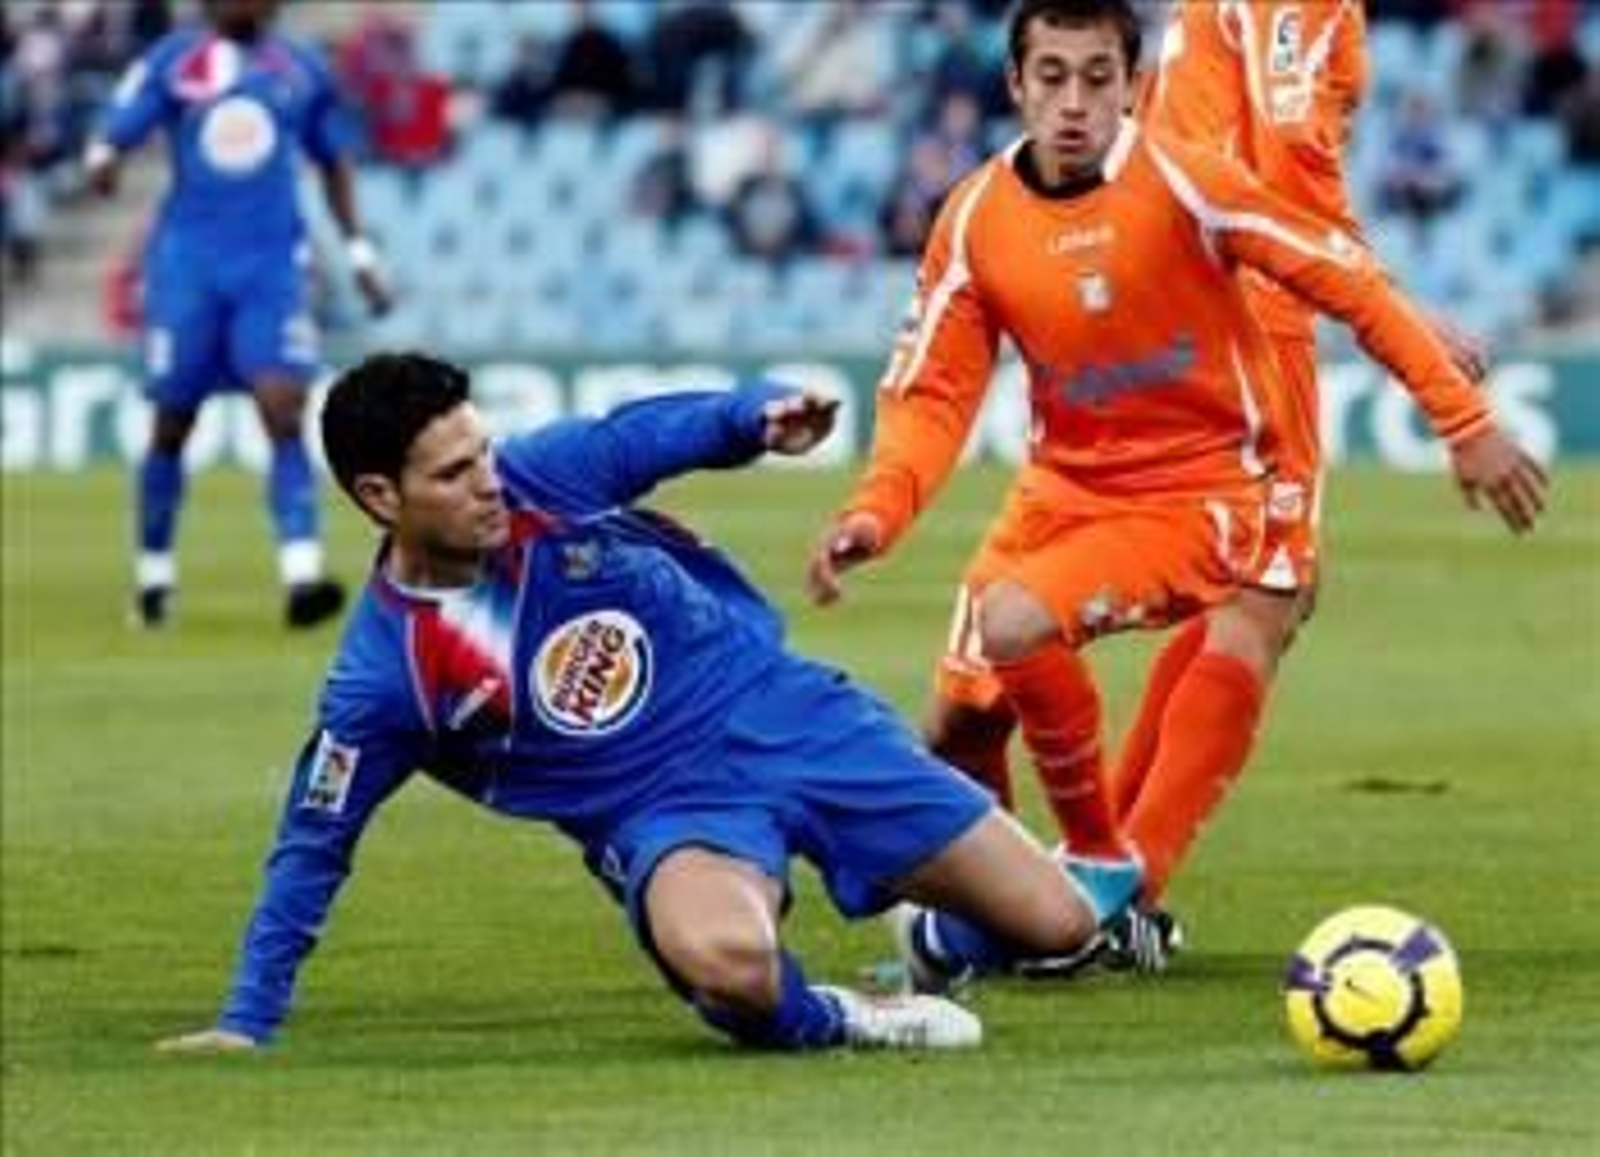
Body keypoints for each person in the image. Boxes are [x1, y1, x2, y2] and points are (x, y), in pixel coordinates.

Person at [806, 0, 1547, 982]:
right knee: (959, 720)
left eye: (1098, 79)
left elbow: (1303, 200)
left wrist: (1458, 413)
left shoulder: (1187, 174)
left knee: (1245, 601)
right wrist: (877, 508)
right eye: (1052, 79)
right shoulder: (978, 214)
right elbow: (930, 390)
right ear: (1015, 86)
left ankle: (1106, 883)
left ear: (1129, 82)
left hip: (1213, 437)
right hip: (1071, 475)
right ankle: (1022, 911)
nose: (1073, 103)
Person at [155, 353, 1115, 1057]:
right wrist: (247, 1019)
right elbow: (314, 838)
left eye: (480, 452)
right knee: (732, 967)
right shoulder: (389, 676)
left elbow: (640, 435)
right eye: (452, 474)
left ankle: (933, 939)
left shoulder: (537, 478)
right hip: (668, 814)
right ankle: (852, 1016)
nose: (487, 482)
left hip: (785, 712)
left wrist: (752, 419)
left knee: (1060, 925)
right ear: (379, 496)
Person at [84, 0, 391, 630]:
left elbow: (333, 161)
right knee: (173, 422)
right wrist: (103, 159)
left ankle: (302, 575)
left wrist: (360, 256)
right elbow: (119, 127)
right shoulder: (177, 61)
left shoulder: (302, 69)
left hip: (271, 266)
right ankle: (153, 578)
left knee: (282, 407)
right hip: (188, 267)